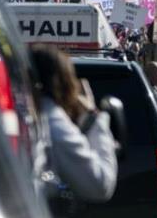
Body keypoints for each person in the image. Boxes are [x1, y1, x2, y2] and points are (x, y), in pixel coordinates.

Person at [31, 45, 118, 204]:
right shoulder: (53, 121)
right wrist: (94, 118)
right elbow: (100, 184)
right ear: (65, 83)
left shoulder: (20, 113)